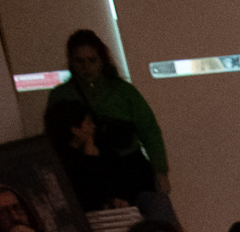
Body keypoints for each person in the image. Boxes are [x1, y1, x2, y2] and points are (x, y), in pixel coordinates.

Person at [57, 29, 168, 202]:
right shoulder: (61, 96)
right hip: (88, 174)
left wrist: (160, 171)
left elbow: (149, 131)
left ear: (102, 60)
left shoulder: (124, 92)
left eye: (91, 60)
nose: (86, 67)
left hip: (130, 171)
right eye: (80, 61)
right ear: (71, 62)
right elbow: (56, 141)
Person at [43, 91, 159, 221]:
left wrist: (121, 199)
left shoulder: (101, 146)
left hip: (117, 205)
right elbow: (89, 194)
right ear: (75, 130)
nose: (93, 127)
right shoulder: (61, 160)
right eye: (88, 123)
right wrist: (90, 158)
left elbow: (119, 177)